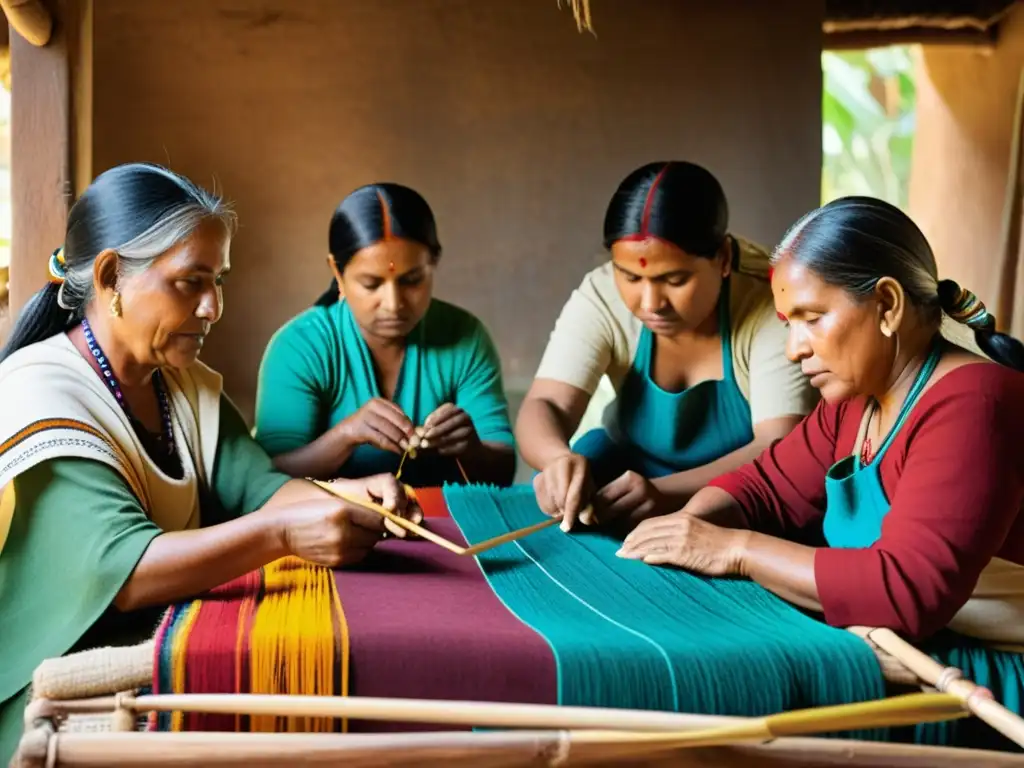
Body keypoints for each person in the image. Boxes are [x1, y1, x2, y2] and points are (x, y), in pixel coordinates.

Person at [0, 163, 422, 765]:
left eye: (218, 281)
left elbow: (259, 487)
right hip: (47, 696)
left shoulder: (181, 386)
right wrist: (281, 533)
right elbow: (126, 572)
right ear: (112, 275)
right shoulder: (39, 393)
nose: (213, 308)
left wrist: (350, 498)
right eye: (190, 283)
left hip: (158, 653)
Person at [617, 197, 1024, 749]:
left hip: (981, 684)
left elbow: (906, 593)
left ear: (886, 303)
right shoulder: (857, 403)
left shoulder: (976, 403)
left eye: (812, 318)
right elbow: (763, 489)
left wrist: (733, 549)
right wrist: (687, 529)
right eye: (788, 324)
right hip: (906, 653)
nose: (793, 350)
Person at [518, 161, 818, 531]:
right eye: (630, 276)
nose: (650, 302)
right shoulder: (601, 294)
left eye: (674, 279)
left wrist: (666, 493)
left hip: (739, 490)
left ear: (723, 259)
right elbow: (545, 404)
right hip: (625, 472)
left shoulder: (770, 307)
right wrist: (556, 458)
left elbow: (778, 446)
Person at [252, 183, 516, 488]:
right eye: (371, 284)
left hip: (445, 529)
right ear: (337, 272)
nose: (393, 304)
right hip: (328, 530)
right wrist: (345, 436)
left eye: (412, 281)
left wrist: (472, 449)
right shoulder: (300, 347)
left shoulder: (465, 338)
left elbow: (503, 473)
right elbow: (263, 481)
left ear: (434, 263)